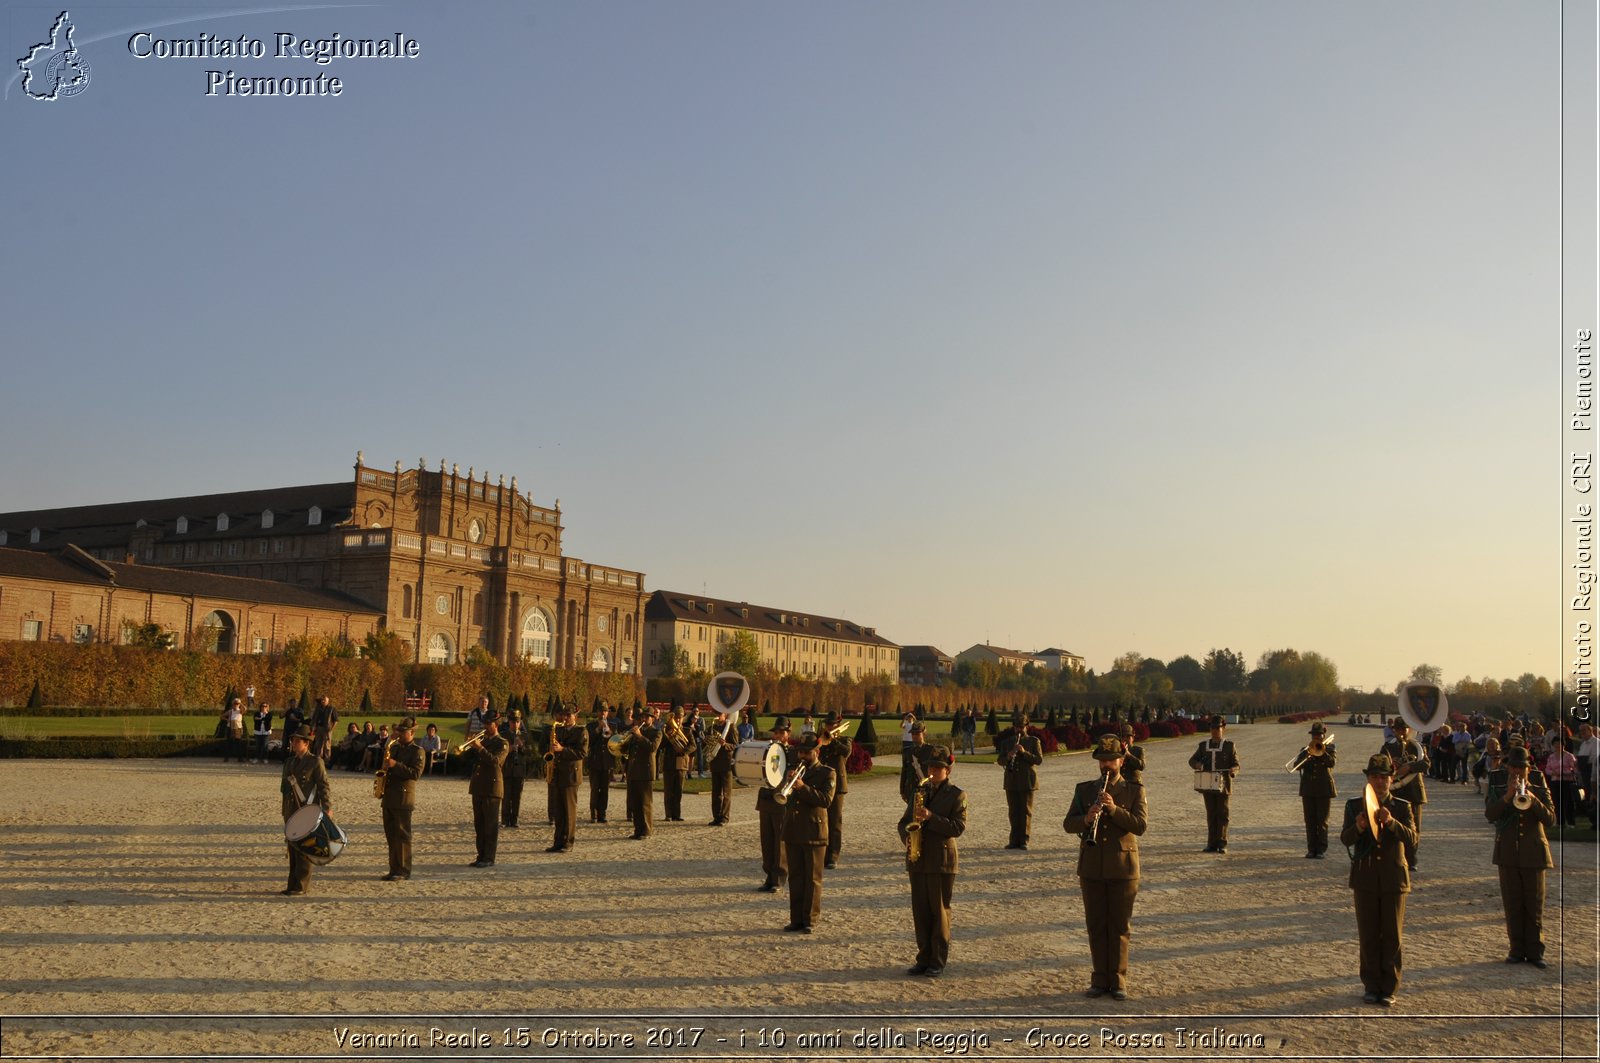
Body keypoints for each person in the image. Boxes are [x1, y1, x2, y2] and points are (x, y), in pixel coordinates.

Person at [1062, 734, 1147, 1000]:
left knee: (1120, 926)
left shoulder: (1135, 790)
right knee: (1096, 925)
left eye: (1111, 760)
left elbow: (1140, 826)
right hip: (1092, 867)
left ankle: (1118, 980)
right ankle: (1099, 979)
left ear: (1122, 760)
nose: (1106, 765)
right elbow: (1068, 824)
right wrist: (1086, 819)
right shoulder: (1085, 790)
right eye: (1102, 761)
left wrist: (1113, 809)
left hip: (1123, 868)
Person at [1340, 753, 1416, 1006]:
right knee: (1369, 934)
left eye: (1384, 777)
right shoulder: (1354, 806)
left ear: (1391, 779)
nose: (1379, 781)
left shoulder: (1402, 806)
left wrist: (1392, 823)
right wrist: (1359, 827)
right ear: (1368, 779)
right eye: (1374, 776)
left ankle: (1390, 987)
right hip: (1365, 877)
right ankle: (1371, 985)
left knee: (1392, 935)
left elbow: (1413, 839)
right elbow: (1345, 839)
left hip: (1394, 878)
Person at [897, 746, 966, 977]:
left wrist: (931, 817)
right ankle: (923, 957)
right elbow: (903, 822)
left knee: (939, 911)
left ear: (948, 770)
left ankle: (937, 960)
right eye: (931, 767)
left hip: (941, 860)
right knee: (921, 911)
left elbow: (957, 828)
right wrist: (908, 837)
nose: (933, 771)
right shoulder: (920, 791)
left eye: (938, 768)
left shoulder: (957, 795)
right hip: (918, 858)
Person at [1486, 746, 1554, 967]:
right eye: (1513, 767)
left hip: (1534, 853)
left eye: (1521, 768)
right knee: (1512, 903)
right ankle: (1516, 949)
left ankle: (1535, 952)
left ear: (1528, 768)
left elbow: (1551, 818)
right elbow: (1490, 814)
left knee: (1534, 905)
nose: (1516, 772)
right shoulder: (1497, 781)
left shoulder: (1538, 781)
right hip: (1507, 852)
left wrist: (1533, 799)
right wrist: (1507, 796)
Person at [780, 732, 837, 933]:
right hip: (794, 829)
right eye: (800, 752)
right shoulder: (793, 770)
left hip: (814, 831)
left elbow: (825, 800)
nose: (802, 756)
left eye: (807, 752)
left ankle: (810, 920)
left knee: (812, 879)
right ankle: (796, 919)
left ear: (817, 752)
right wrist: (786, 784)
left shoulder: (827, 773)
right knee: (795, 877)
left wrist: (802, 787)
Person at [279, 725, 331, 896]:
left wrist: (327, 808)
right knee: (292, 848)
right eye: (293, 740)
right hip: (291, 810)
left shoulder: (316, 761)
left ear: (306, 743)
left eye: (297, 741)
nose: (293, 743)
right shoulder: (290, 762)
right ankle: (292, 884)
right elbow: (285, 789)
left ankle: (301, 885)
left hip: (307, 809)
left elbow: (324, 786)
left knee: (304, 848)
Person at [379, 716, 424, 880]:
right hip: (390, 797)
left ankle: (404, 870)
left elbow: (415, 774)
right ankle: (394, 868)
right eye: (398, 731)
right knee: (391, 835)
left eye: (402, 732)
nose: (398, 734)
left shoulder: (417, 751)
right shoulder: (395, 748)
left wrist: (394, 765)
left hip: (404, 799)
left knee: (402, 836)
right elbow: (386, 764)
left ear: (411, 732)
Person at [1187, 715, 1239, 853]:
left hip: (1224, 786)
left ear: (1223, 728)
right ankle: (1211, 844)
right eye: (1212, 728)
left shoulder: (1229, 746)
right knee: (1211, 814)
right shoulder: (1203, 746)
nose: (1215, 730)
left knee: (1223, 814)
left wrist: (1233, 770)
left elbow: (1236, 764)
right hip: (1208, 784)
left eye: (1218, 728)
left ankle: (1222, 843)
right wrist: (1198, 764)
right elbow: (1192, 761)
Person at [1381, 721, 1429, 871]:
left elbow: (1426, 763)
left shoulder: (1417, 746)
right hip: (1395, 791)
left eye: (1404, 728)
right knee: (1393, 826)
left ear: (1409, 729)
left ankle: (1412, 860)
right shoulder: (1387, 747)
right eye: (1398, 729)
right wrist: (1391, 766)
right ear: (1394, 730)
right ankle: (1395, 858)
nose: (1401, 731)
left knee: (1414, 827)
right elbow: (1380, 767)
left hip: (1413, 792)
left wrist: (1409, 766)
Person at [466, 711, 509, 867]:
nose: (485, 726)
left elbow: (495, 761)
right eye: (484, 723)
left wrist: (479, 748)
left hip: (492, 787)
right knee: (479, 824)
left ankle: (489, 857)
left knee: (490, 825)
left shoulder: (502, 743)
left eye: (488, 724)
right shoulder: (482, 741)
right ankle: (481, 855)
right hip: (478, 786)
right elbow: (470, 760)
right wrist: (471, 746)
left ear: (495, 725)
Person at [755, 717, 793, 892]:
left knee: (780, 841)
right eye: (776, 732)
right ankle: (769, 876)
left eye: (781, 732)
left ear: (788, 734)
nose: (777, 735)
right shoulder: (767, 750)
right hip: (765, 799)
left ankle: (779, 878)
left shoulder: (791, 752)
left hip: (780, 800)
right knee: (767, 840)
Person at [997, 712, 1043, 850]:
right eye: (1016, 727)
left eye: (1021, 727)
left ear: (1026, 726)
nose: (1018, 730)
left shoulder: (1034, 741)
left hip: (1027, 781)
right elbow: (1000, 760)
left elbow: (1038, 760)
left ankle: (1024, 840)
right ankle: (1014, 840)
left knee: (1025, 811)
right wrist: (1009, 755)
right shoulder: (1007, 743)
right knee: (1013, 812)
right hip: (1012, 781)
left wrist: (1023, 752)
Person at [546, 702, 587, 852]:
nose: (565, 717)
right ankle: (558, 841)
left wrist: (562, 749)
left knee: (569, 812)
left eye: (568, 715)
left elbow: (581, 753)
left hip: (571, 775)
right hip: (558, 773)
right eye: (564, 715)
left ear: (575, 716)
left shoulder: (581, 731)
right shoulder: (559, 729)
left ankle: (568, 843)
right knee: (559, 811)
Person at [1293, 722, 1338, 858]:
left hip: (1324, 788)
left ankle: (1321, 849)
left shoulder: (1330, 748)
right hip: (1308, 789)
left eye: (1319, 734)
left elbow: (1332, 763)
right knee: (1310, 820)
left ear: (1323, 735)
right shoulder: (1306, 749)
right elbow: (1296, 766)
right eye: (1314, 735)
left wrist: (1322, 752)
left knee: (1322, 821)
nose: (1316, 737)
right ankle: (1311, 849)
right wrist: (1307, 755)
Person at [817, 710, 852, 869]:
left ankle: (833, 856)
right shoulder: (822, 740)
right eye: (828, 724)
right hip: (821, 784)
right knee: (820, 820)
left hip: (837, 786)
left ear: (838, 725)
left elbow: (846, 752)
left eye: (832, 724)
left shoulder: (845, 740)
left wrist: (833, 740)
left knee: (835, 821)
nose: (829, 727)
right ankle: (822, 853)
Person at [624, 706, 662, 839]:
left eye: (647, 717)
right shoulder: (636, 731)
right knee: (636, 803)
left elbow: (652, 748)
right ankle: (638, 830)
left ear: (652, 718)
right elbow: (629, 750)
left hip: (646, 771)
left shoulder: (656, 732)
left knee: (645, 803)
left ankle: (646, 830)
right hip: (634, 770)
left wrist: (639, 736)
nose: (644, 719)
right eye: (642, 717)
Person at [501, 713, 531, 828]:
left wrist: (522, 746)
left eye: (518, 722)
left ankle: (515, 820)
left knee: (517, 796)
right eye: (513, 722)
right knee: (506, 796)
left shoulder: (525, 736)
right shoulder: (504, 735)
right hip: (507, 769)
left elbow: (530, 752)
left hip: (519, 769)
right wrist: (509, 749)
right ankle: (504, 820)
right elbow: (499, 751)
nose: (516, 724)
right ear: (509, 722)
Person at [707, 710, 737, 827]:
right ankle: (716, 816)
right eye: (716, 714)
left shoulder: (731, 728)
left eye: (719, 714)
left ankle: (724, 817)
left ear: (725, 715)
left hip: (726, 763)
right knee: (715, 793)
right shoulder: (712, 727)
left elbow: (735, 745)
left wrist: (725, 745)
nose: (717, 716)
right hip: (715, 763)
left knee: (726, 793)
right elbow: (706, 742)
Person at [661, 704, 690, 822]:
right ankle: (668, 814)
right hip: (669, 763)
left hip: (681, 763)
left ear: (683, 718)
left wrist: (683, 751)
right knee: (668, 791)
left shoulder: (687, 731)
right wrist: (667, 735)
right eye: (676, 717)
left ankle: (676, 814)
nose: (678, 720)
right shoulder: (667, 730)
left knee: (678, 791)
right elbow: (661, 746)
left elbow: (692, 745)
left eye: (680, 717)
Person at [1543, 737, 1579, 828]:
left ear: (1563, 744)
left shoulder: (1569, 756)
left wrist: (1563, 773)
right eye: (1555, 744)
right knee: (1556, 801)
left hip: (1567, 781)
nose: (1557, 745)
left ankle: (1571, 822)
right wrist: (1553, 773)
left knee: (1568, 802)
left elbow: (1574, 769)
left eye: (1559, 743)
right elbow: (1547, 769)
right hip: (1555, 781)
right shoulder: (1551, 756)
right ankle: (1559, 821)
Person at [586, 706, 615, 821]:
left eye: (605, 711)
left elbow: (616, 743)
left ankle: (602, 814)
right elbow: (588, 741)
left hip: (607, 762)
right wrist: (598, 728)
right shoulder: (591, 726)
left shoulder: (613, 726)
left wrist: (610, 733)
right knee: (594, 788)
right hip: (595, 761)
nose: (603, 713)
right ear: (597, 712)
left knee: (605, 789)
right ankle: (593, 812)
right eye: (601, 711)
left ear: (607, 713)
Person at [900, 721, 935, 804]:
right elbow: (904, 771)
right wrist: (902, 791)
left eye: (917, 734)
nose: (914, 736)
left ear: (924, 734)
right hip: (911, 790)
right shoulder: (907, 751)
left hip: (927, 790)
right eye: (913, 734)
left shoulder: (931, 750)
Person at [310, 696, 339, 764]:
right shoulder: (318, 708)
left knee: (327, 746)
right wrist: (313, 727)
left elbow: (336, 720)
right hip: (318, 728)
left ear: (328, 701)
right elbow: (314, 718)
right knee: (318, 745)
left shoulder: (331, 709)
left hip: (327, 729)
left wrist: (331, 729)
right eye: (322, 700)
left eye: (324, 700)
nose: (323, 701)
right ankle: (319, 761)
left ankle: (327, 761)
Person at [224, 698, 246, 763]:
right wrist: (227, 719)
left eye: (237, 704)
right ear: (232, 704)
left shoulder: (240, 711)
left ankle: (240, 758)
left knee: (238, 743)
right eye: (234, 704)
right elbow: (222, 716)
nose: (236, 705)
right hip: (230, 727)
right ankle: (226, 758)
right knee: (229, 743)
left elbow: (245, 708)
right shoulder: (230, 711)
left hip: (238, 728)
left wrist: (240, 702)